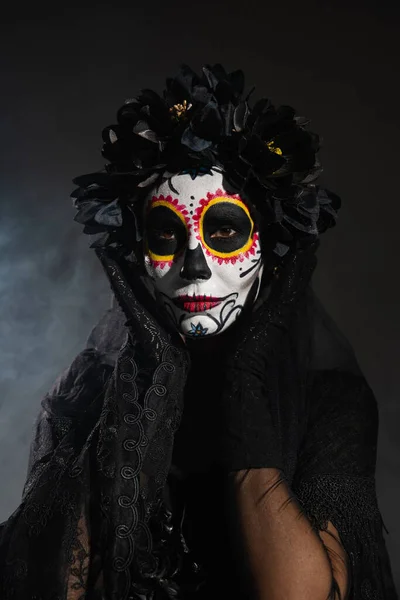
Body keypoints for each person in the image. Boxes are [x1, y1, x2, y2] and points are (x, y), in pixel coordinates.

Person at [0, 64, 397, 600]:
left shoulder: (330, 403)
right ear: (136, 252)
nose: (194, 265)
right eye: (165, 232)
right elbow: (46, 586)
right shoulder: (91, 388)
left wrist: (247, 373)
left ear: (272, 254)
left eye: (225, 230)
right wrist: (154, 375)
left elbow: (300, 594)